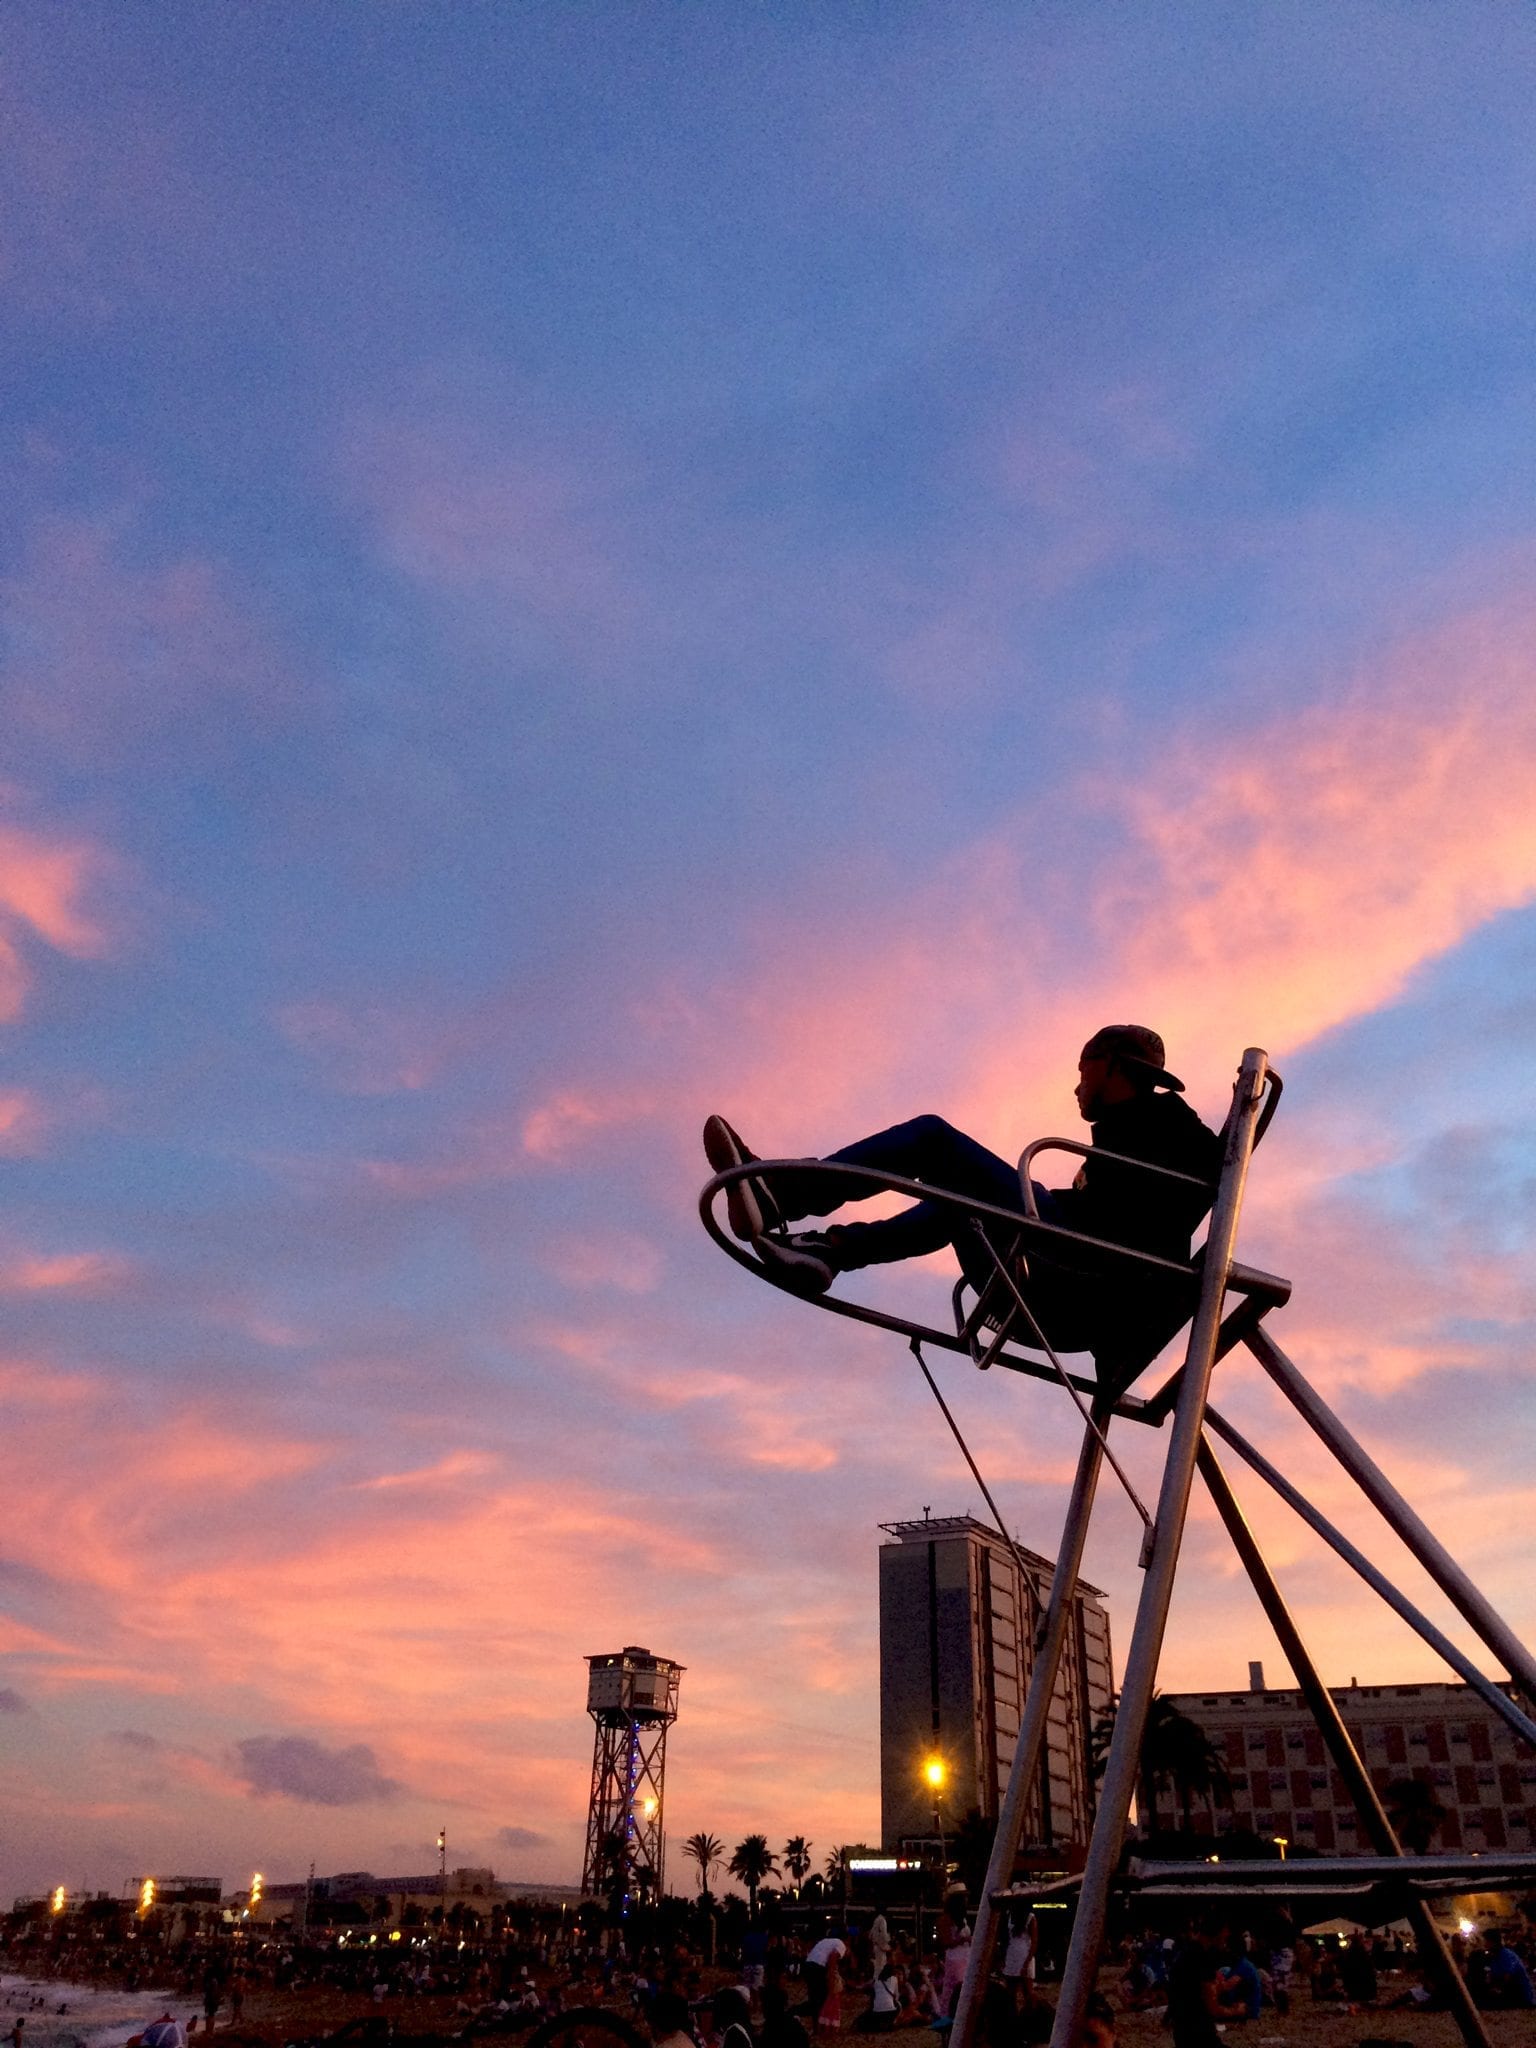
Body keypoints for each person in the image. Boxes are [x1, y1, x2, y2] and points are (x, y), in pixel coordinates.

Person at [704, 1025, 1222, 1375]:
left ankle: (781, 1196)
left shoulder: (1167, 1129)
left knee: (933, 1139)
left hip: (1079, 1280)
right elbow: (1118, 1210)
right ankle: (830, 1252)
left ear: (1110, 1067)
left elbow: (1180, 1195)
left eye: (1084, 1070)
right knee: (961, 1200)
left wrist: (1245, 1117)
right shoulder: (1129, 1141)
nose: (1077, 1086)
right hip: (1066, 1273)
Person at [803, 1929, 847, 2031]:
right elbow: (832, 1957)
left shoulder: (825, 1941)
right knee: (821, 1997)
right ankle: (821, 2024)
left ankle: (816, 2025)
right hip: (818, 1967)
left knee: (814, 1997)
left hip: (808, 1965)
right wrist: (831, 1976)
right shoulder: (841, 1944)